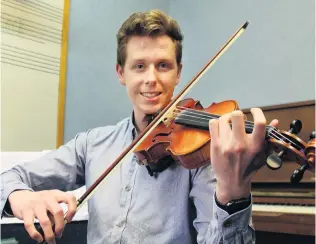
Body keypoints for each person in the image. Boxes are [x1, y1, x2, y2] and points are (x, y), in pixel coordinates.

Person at [1, 9, 278, 244]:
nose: (151, 79)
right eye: (139, 66)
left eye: (163, 65)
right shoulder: (92, 144)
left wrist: (233, 192)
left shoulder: (200, 154)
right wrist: (19, 195)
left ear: (179, 72)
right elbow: (9, 176)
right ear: (121, 73)